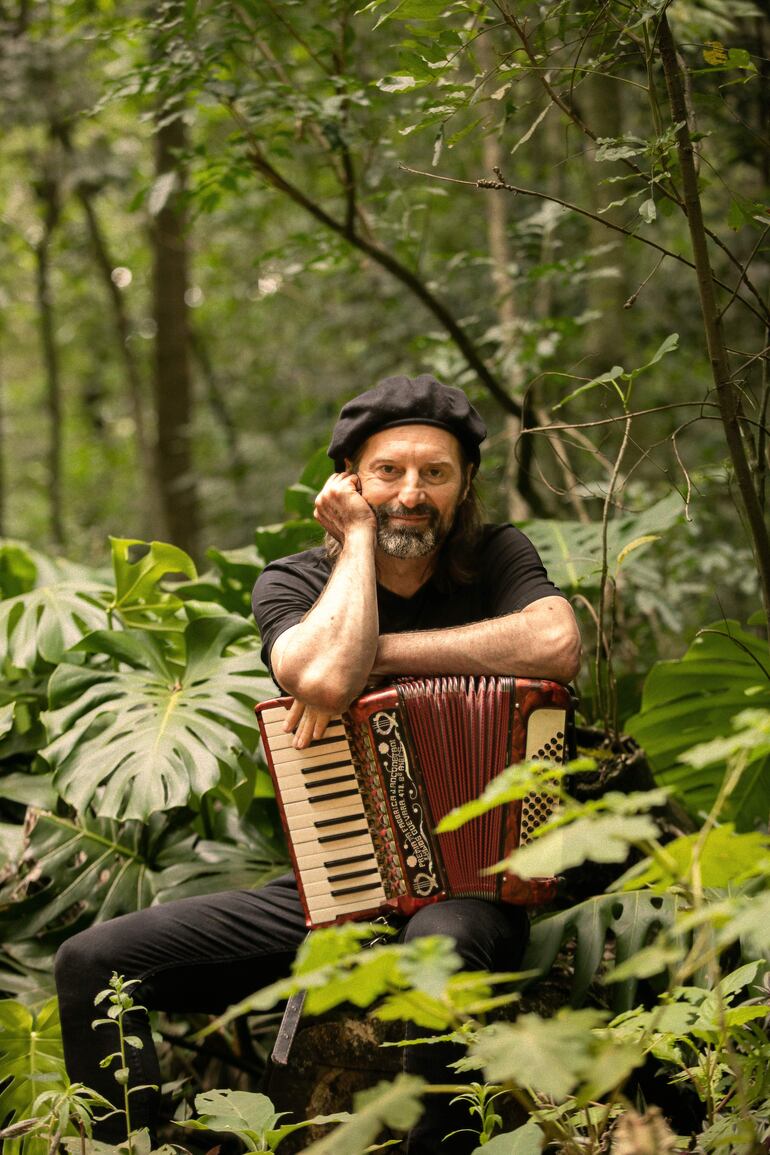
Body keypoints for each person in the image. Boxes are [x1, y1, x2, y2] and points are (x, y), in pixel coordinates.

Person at [54, 374, 581, 1154]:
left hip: (477, 882)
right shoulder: (296, 580)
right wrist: (359, 546)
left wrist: (380, 655)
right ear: (349, 484)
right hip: (339, 880)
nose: (411, 492)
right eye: (388, 472)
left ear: (465, 483)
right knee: (92, 961)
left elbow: (555, 643)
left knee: (436, 949)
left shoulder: (497, 556)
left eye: (435, 472)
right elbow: (324, 679)